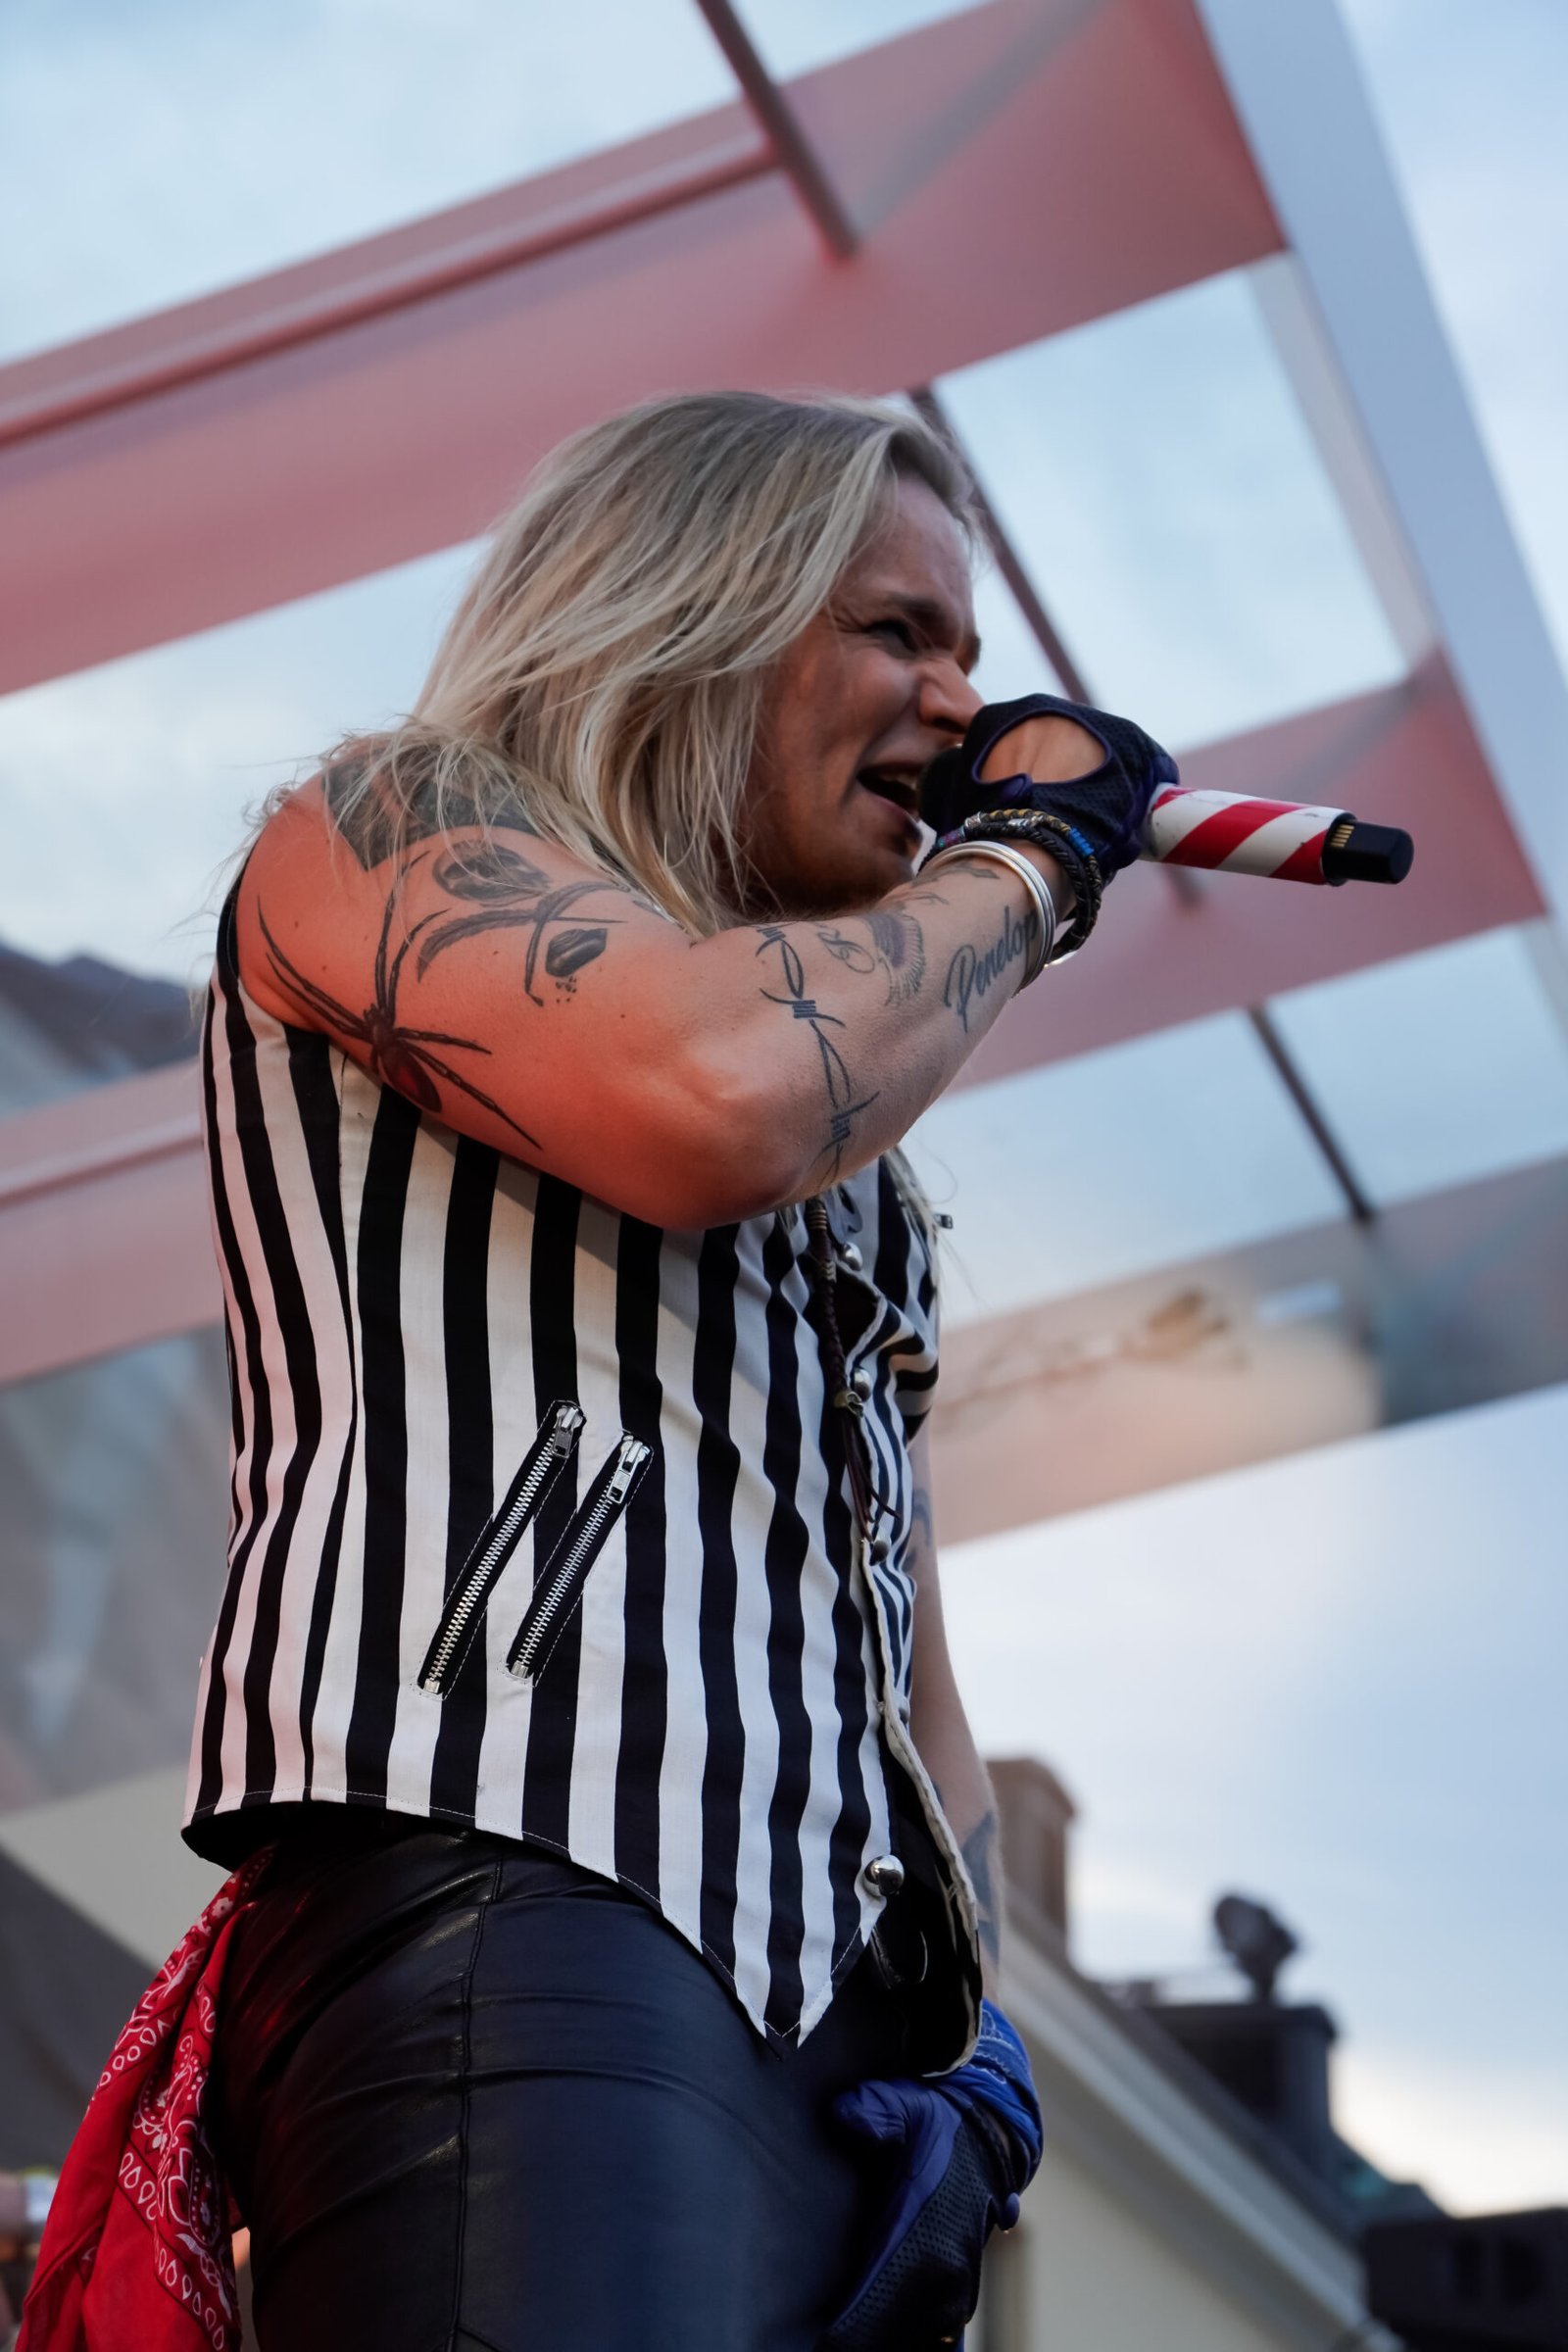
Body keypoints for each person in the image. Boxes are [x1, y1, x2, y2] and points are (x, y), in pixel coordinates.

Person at [169, 391, 1165, 2351]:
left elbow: (902, 1656)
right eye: (896, 631)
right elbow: (711, 1092)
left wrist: (977, 2044)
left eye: (967, 649)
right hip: (523, 1897)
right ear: (698, 606)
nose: (961, 704)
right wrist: (1038, 854)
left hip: (836, 2049)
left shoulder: (864, 1162)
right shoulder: (385, 828)